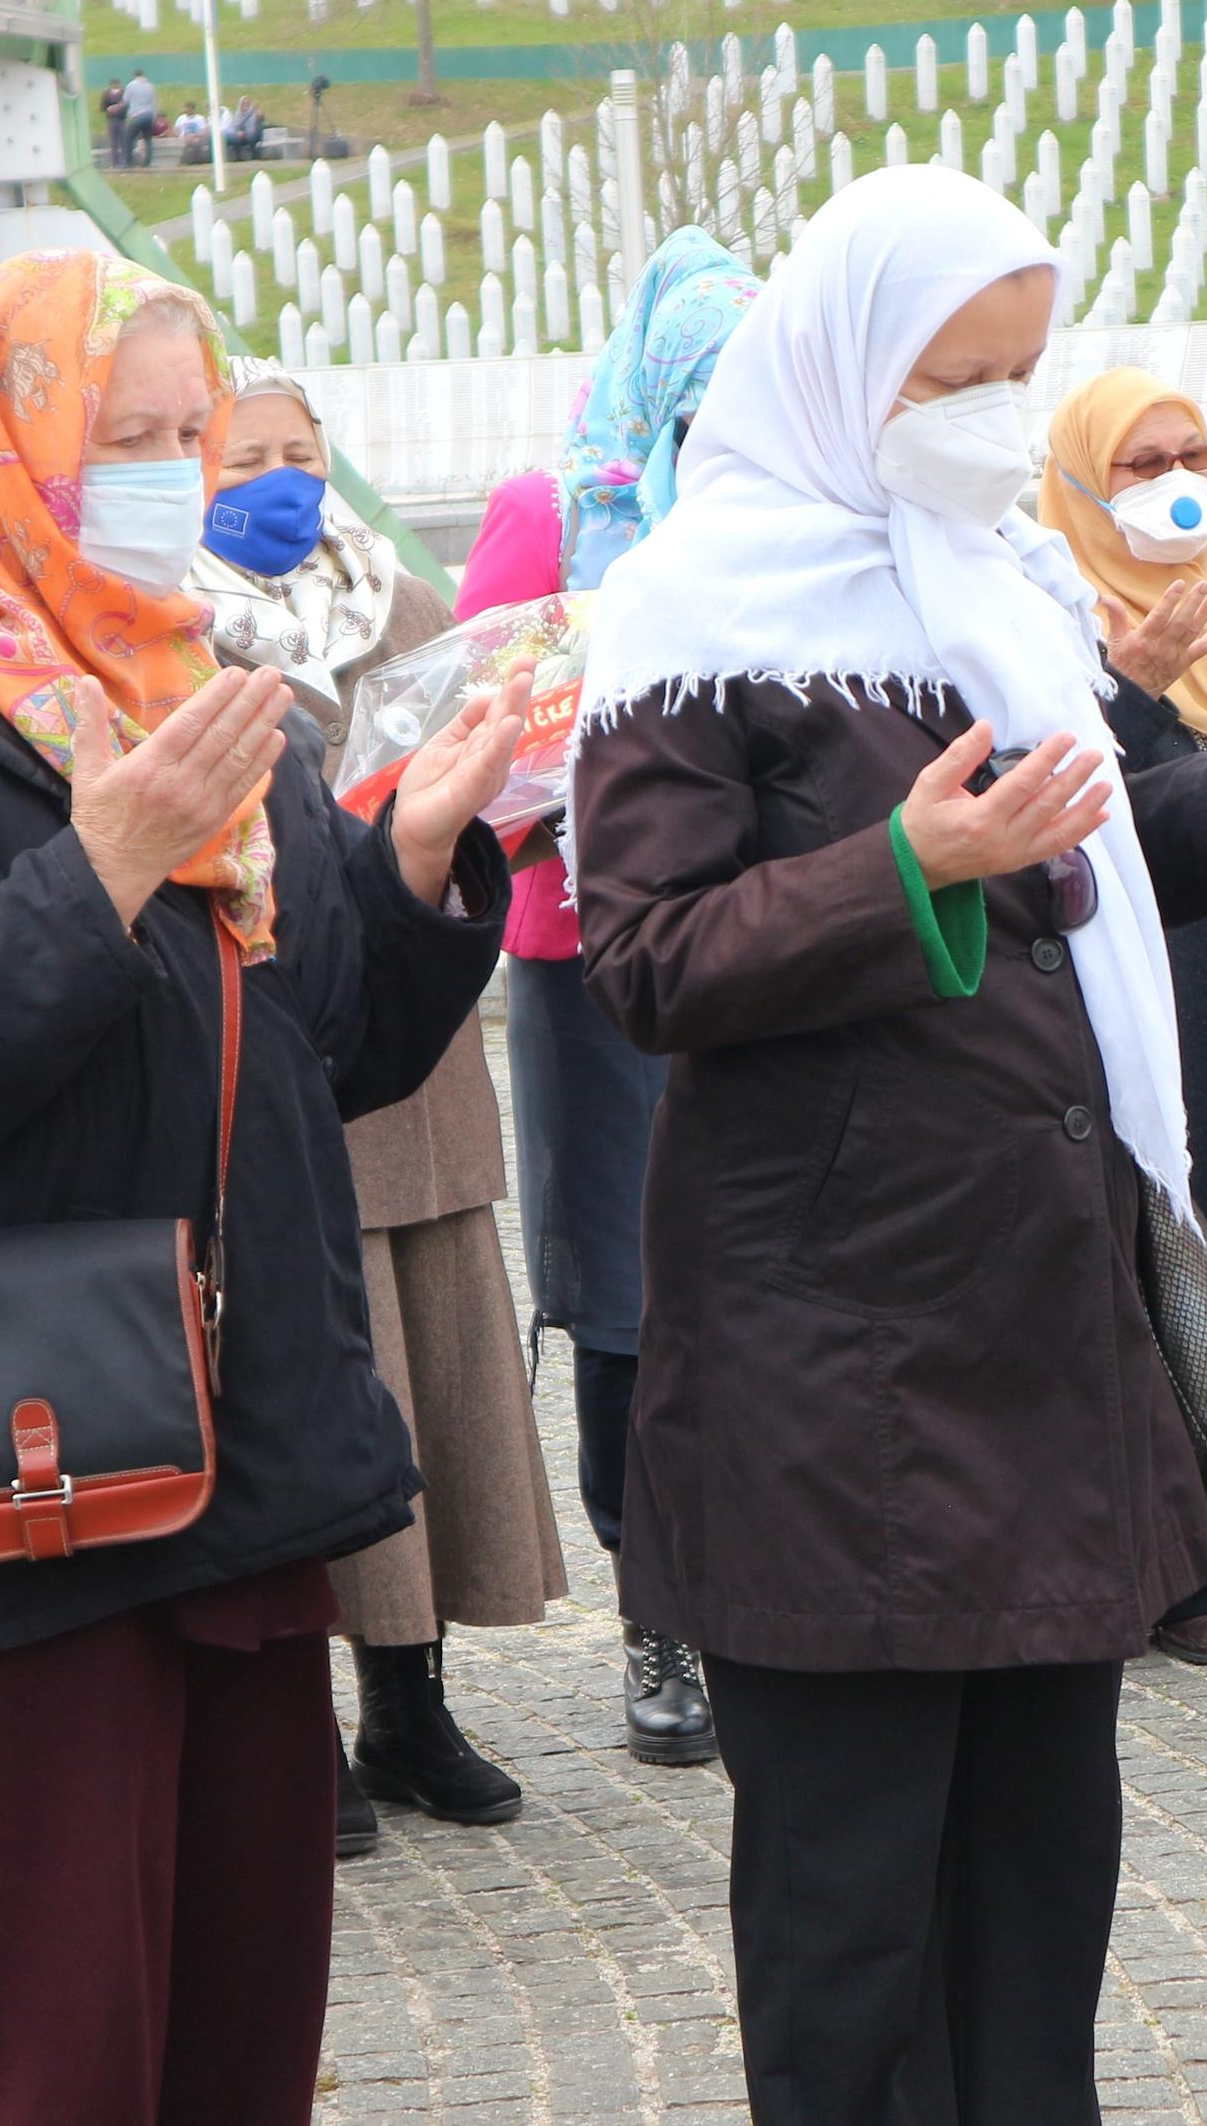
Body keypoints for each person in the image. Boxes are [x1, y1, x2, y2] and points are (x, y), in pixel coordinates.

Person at [565, 165, 1207, 2123]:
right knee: (851, 1936)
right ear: (842, 366)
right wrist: (895, 860)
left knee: (1035, 1906)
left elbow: (1054, 882)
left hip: (1038, 1348)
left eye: (1021, 368)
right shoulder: (696, 616)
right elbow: (647, 958)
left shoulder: (990, 589)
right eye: (958, 371)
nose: (996, 413)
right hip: (831, 1384)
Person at [0, 250, 519, 2125]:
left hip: (239, 1442)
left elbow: (326, 1042)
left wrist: (405, 866)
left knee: (244, 2019)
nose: (169, 475)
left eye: (188, 433)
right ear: (9, 445)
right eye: (123, 440)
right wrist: (100, 865)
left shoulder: (190, 678)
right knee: (60, 2040)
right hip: (26, 1460)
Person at [190, 358, 565, 1851]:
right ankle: (303, 1729)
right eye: (243, 454)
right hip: (275, 1057)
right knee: (312, 1381)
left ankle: (413, 1705)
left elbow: (489, 791)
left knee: (440, 1383)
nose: (281, 478)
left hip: (414, 1065)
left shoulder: (408, 611)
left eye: (301, 449)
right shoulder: (172, 626)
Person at [454, 226, 760, 1770]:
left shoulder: (791, 520)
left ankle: (763, 1578)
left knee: (761, 1262)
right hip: (592, 953)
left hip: (767, 943)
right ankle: (659, 1608)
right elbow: (477, 728)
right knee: (632, 1288)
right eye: (695, 390)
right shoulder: (551, 513)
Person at [1035, 364, 1207, 1665]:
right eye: (1145, 464)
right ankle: (1170, 1546)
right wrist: (1121, 685)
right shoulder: (1043, 616)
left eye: (1197, 452)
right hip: (1129, 970)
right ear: (1079, 482)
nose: (1181, 484)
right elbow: (1056, 794)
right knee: (1144, 1239)